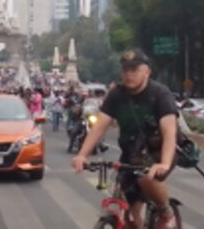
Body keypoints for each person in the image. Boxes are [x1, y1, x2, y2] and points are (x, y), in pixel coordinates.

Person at [72, 49, 179, 229]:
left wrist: (164, 164)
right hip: (131, 154)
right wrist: (82, 155)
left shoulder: (160, 94)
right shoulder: (116, 94)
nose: (128, 75)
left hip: (158, 152)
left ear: (147, 72)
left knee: (147, 178)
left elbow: (170, 133)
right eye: (125, 70)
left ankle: (166, 211)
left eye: (134, 70)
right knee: (129, 208)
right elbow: (100, 125)